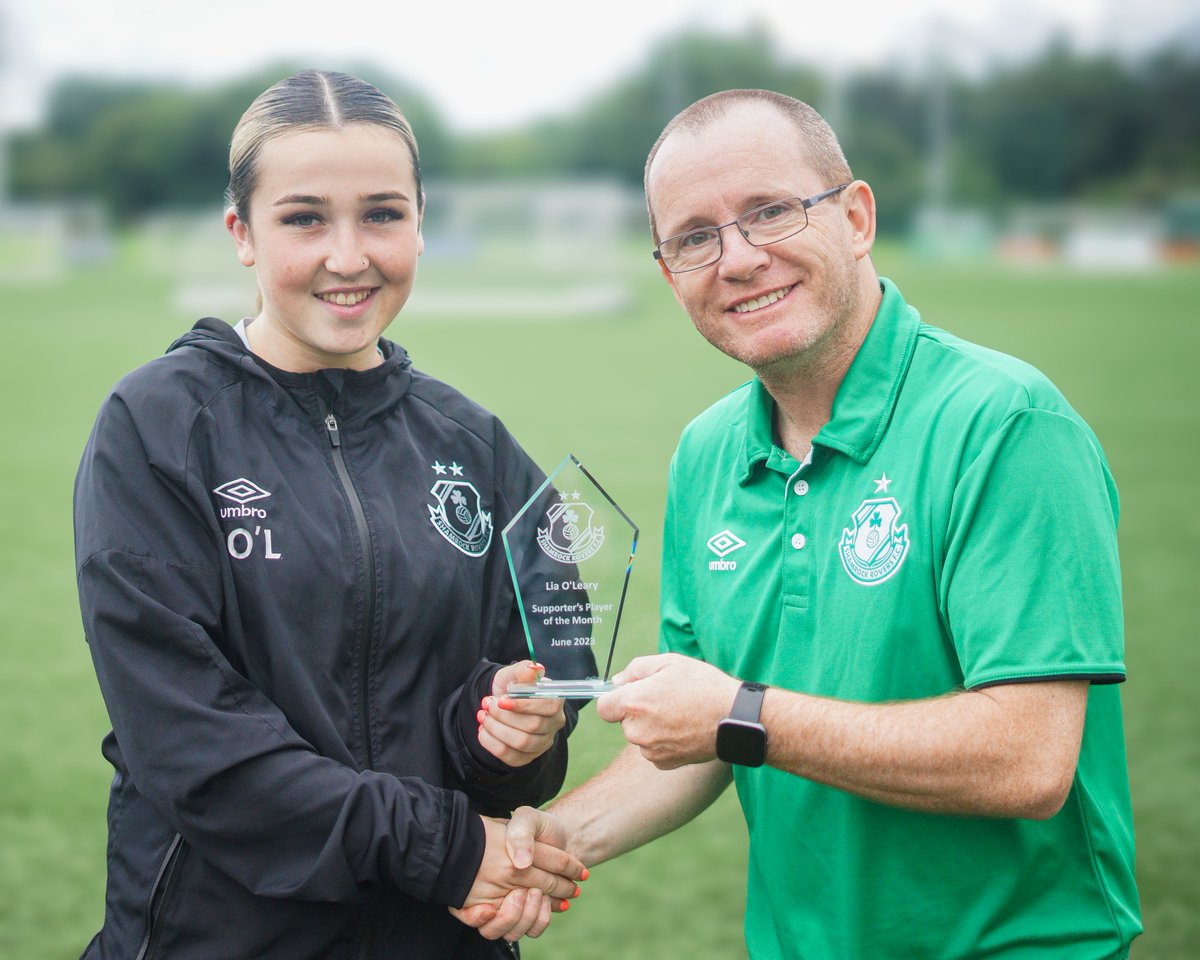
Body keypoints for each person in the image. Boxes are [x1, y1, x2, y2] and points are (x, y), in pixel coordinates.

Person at [478, 89, 1142, 958]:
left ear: (857, 216)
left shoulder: (1005, 424)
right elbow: (706, 737)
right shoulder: (708, 451)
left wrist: (741, 714)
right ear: (669, 270)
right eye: (694, 237)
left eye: (771, 212)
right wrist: (548, 841)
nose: (739, 258)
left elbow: (1027, 758)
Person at [73, 70, 588, 960]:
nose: (348, 256)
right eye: (305, 217)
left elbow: (544, 687)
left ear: (422, 221)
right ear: (242, 232)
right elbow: (190, 738)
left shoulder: (475, 443)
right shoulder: (156, 427)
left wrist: (510, 734)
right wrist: (451, 848)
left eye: (382, 214)